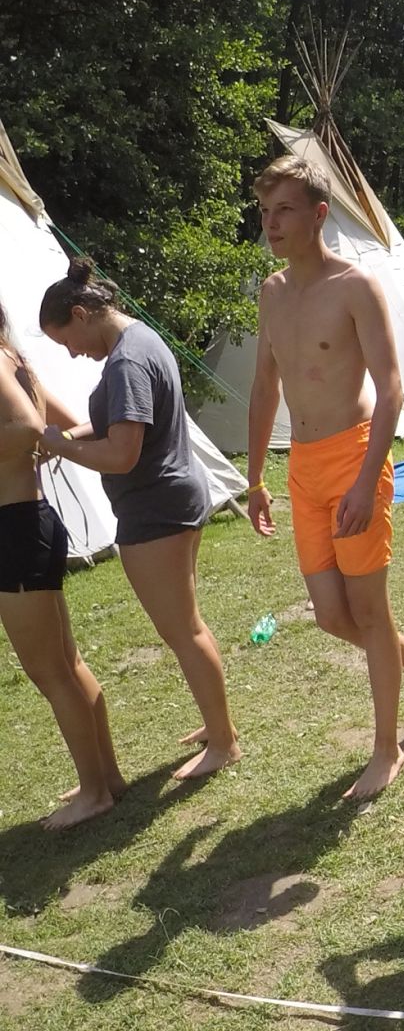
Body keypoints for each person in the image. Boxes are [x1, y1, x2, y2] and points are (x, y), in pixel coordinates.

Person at [245, 155, 404, 799]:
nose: (272, 223)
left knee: (369, 610)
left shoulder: (357, 285)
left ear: (319, 214)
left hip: (356, 456)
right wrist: (255, 477)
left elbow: (391, 390)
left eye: (284, 210)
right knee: (332, 616)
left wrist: (365, 480)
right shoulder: (272, 291)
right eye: (265, 212)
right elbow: (264, 388)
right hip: (302, 466)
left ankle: (387, 748)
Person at [35, 258, 239, 779]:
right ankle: (217, 725)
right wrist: (67, 438)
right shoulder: (141, 339)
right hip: (174, 499)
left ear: (81, 314)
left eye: (67, 341)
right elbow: (119, 427)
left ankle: (223, 742)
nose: (72, 353)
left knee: (182, 630)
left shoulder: (126, 362)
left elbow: (123, 453)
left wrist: (63, 446)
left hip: (156, 510)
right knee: (187, 625)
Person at [0, 312, 123, 827]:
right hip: (30, 523)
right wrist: (38, 450)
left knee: (50, 672)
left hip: (16, 530)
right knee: (66, 664)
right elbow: (64, 425)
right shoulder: (14, 360)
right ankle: (105, 777)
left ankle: (94, 792)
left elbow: (30, 428)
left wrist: (31, 449)